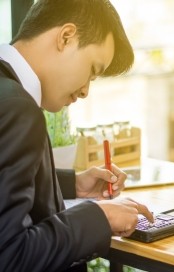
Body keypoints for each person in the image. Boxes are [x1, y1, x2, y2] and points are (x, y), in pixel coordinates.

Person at [0, 0, 154, 271]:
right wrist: (99, 217)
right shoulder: (17, 109)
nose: (85, 92)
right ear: (66, 37)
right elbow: (10, 256)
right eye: (92, 71)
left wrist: (73, 184)